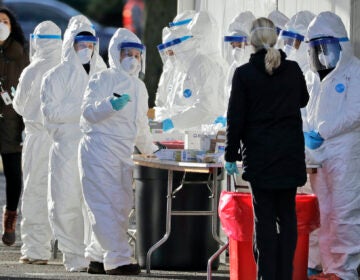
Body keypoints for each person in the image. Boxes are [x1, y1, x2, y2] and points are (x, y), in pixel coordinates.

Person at [224, 17, 309, 280]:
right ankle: (286, 275)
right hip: (290, 156)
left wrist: (231, 154)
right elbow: (303, 100)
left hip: (260, 159)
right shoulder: (294, 70)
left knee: (265, 221)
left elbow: (235, 118)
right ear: (275, 38)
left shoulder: (244, 74)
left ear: (251, 42)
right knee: (287, 218)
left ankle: (267, 276)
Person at [78, 28, 158, 275]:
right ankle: (119, 259)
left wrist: (152, 151)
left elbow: (141, 127)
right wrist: (109, 105)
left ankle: (98, 256)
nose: (132, 59)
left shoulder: (140, 87)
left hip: (122, 153)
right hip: (99, 150)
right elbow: (88, 112)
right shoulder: (103, 79)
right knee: (104, 205)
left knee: (120, 204)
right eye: (127, 53)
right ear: (116, 54)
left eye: (136, 54)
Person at [40, 15, 106, 272]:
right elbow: (51, 113)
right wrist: (85, 108)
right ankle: (73, 255)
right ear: (70, 44)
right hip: (66, 146)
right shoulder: (55, 76)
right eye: (81, 44)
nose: (86, 49)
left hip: (95, 146)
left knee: (94, 202)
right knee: (65, 201)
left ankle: (95, 254)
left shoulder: (103, 73)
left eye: (90, 44)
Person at [305, 11, 360, 280]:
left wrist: (324, 130)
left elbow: (356, 112)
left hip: (345, 152)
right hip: (320, 153)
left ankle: (345, 271)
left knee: (344, 212)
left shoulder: (355, 70)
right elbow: (305, 109)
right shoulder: (316, 78)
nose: (321, 54)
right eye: (316, 48)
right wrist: (307, 133)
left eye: (325, 47)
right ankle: (325, 267)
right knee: (322, 212)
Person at [12, 20, 62, 264]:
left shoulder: (32, 70)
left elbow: (19, 105)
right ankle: (72, 250)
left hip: (37, 137)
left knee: (35, 192)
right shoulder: (66, 67)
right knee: (64, 192)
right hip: (62, 137)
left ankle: (35, 251)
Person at [0, 6, 29, 246]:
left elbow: (26, 90)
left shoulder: (21, 54)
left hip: (12, 121)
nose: (1, 25)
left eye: (5, 21)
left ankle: (10, 220)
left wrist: (24, 125)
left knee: (13, 173)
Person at [217, 11, 255, 125]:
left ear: (250, 42)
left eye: (239, 44)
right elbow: (230, 101)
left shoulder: (259, 68)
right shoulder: (234, 68)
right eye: (233, 45)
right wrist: (225, 117)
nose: (235, 49)